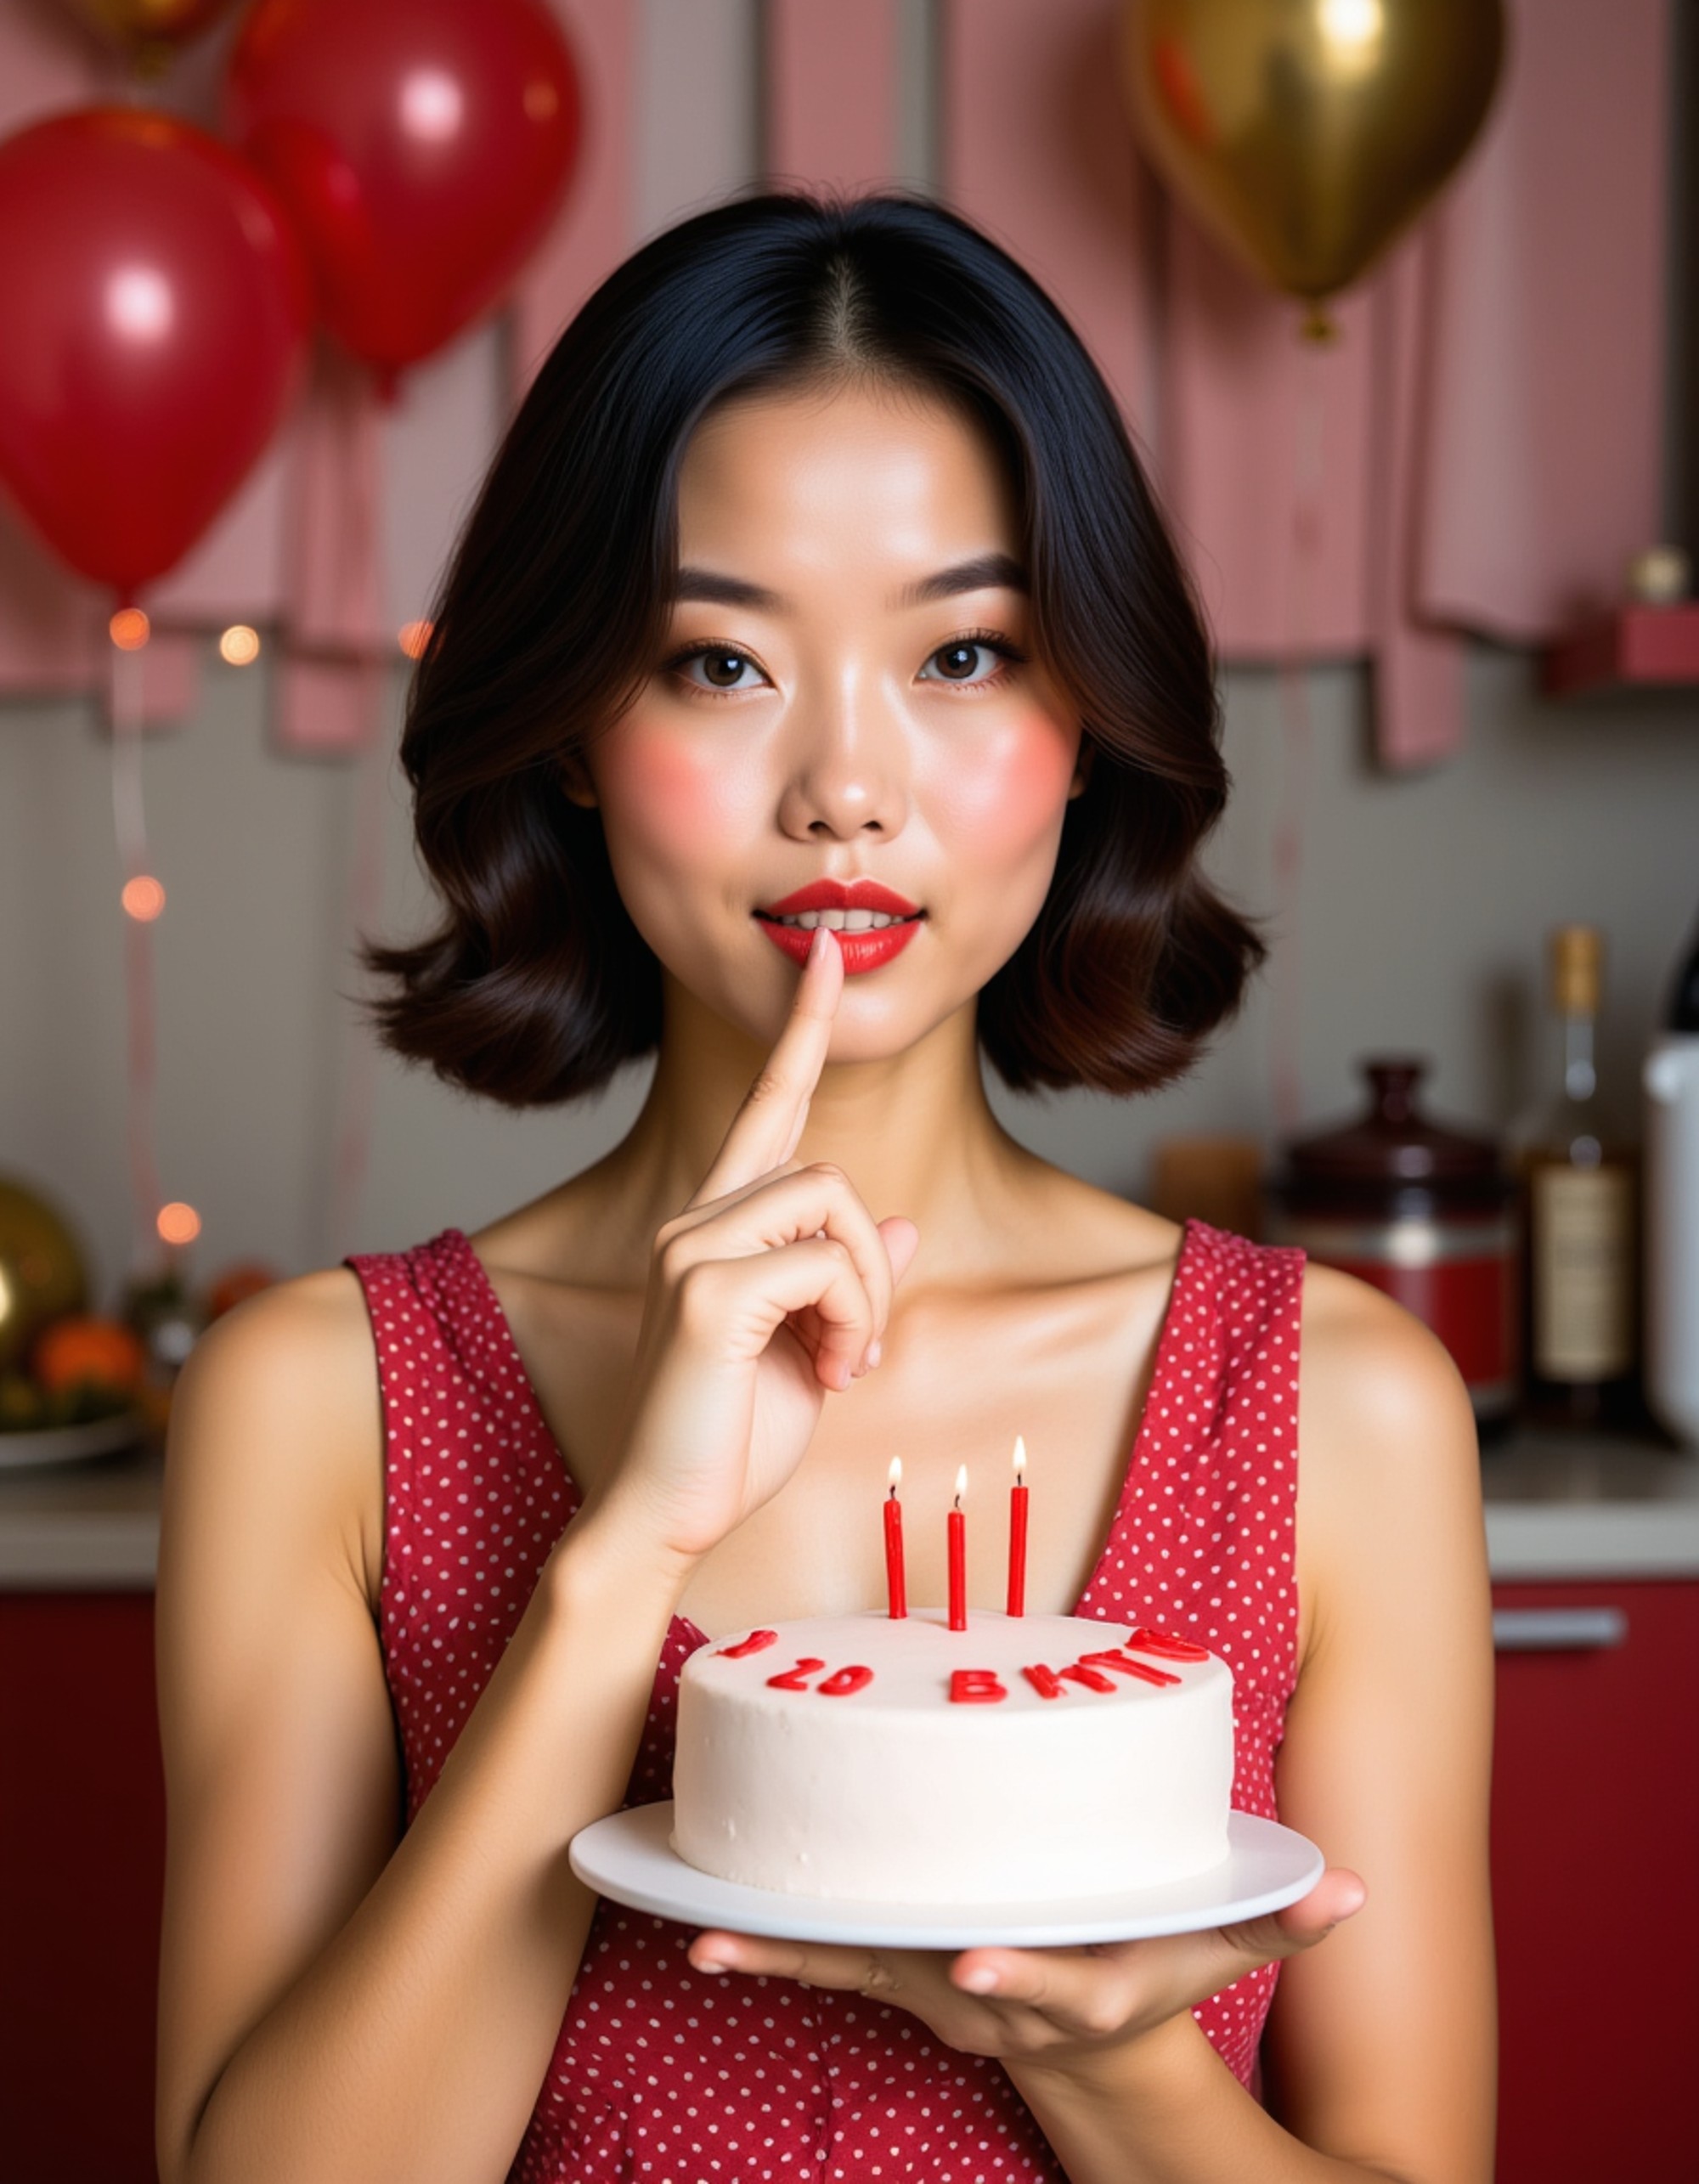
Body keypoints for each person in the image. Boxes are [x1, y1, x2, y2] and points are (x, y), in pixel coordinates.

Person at [154, 194, 1494, 2184]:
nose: (845, 784)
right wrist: (628, 1559)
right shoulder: (318, 1400)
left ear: (1085, 727)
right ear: (579, 732)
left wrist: (1108, 2060)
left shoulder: (1337, 1405)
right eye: (718, 662)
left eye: (962, 651)